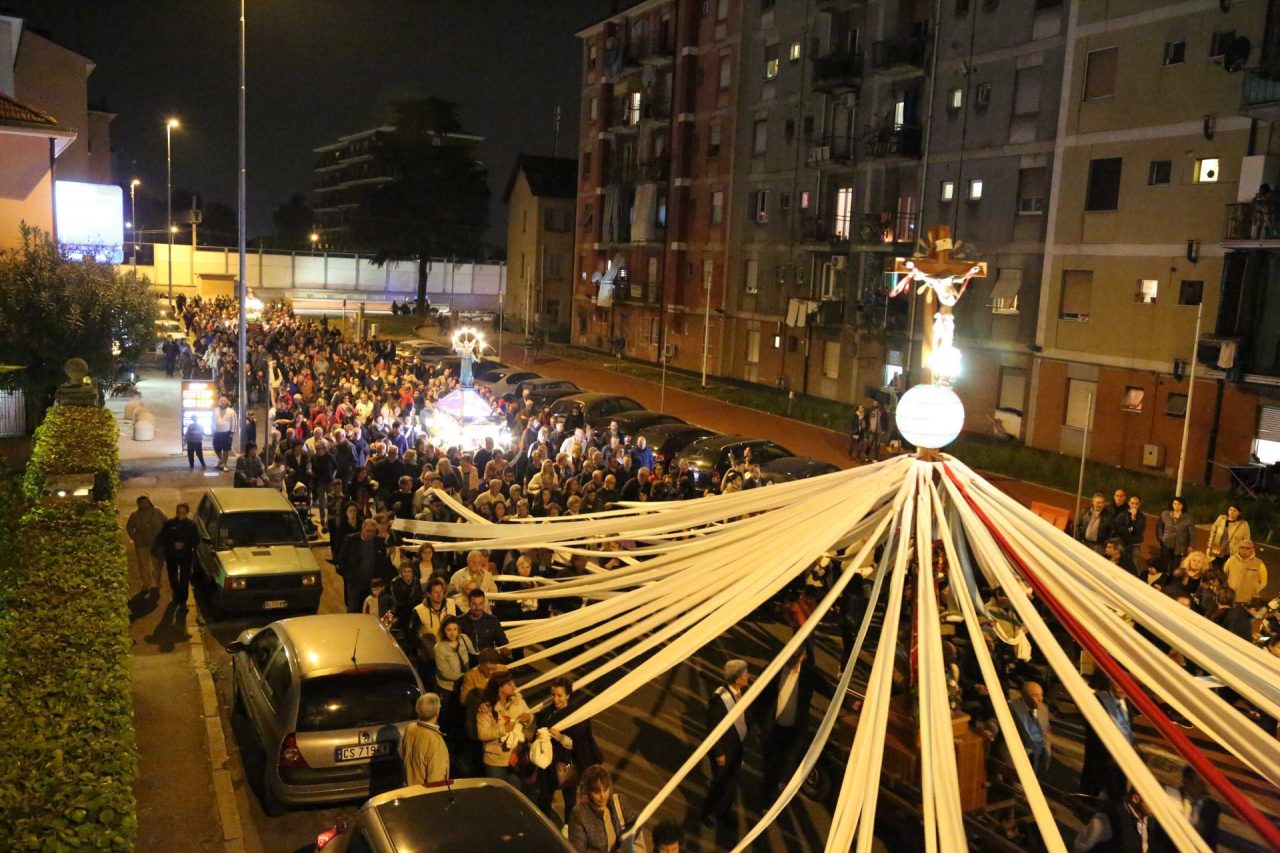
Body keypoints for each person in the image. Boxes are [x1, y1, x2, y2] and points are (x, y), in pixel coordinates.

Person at [536, 676, 605, 826]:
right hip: (548, 761)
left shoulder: (575, 716)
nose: (556, 699)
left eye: (559, 695)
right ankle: (543, 824)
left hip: (565, 762)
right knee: (545, 795)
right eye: (553, 695)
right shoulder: (548, 712)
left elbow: (577, 742)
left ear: (567, 695)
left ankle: (568, 826)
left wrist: (560, 737)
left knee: (569, 798)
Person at [701, 659, 750, 827]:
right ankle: (708, 813)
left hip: (736, 748)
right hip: (723, 750)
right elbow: (713, 728)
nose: (748, 677)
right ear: (737, 678)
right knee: (720, 784)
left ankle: (723, 812)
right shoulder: (719, 698)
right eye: (745, 674)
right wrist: (718, 752)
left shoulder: (744, 692)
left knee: (731, 784)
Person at [475, 669, 534, 784]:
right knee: (498, 791)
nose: (514, 686)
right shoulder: (486, 708)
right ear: (500, 688)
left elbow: (529, 714)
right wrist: (503, 729)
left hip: (515, 756)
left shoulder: (517, 700)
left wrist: (529, 718)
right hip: (495, 760)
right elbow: (483, 734)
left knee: (515, 790)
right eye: (509, 684)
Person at [1079, 671, 1131, 797]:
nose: (1121, 687)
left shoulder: (1129, 704)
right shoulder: (1099, 700)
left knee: (1117, 793)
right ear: (1110, 682)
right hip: (1100, 756)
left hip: (1123, 758)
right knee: (1091, 791)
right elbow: (1090, 728)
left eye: (1125, 684)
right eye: (1118, 683)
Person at [568, 765, 642, 853]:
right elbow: (578, 849)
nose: (603, 797)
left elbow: (636, 823)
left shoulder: (619, 802)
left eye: (605, 790)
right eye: (597, 792)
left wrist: (626, 837)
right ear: (588, 792)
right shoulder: (579, 814)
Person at [338, 518, 393, 614]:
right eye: (368, 530)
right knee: (353, 609)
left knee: (371, 609)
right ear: (362, 529)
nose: (371, 533)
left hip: (372, 583)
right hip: (355, 582)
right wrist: (349, 576)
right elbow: (342, 559)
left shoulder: (378, 542)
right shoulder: (350, 540)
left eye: (373, 531)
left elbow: (383, 562)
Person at [399, 693, 449, 786]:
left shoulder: (410, 729)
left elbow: (401, 753)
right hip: (424, 793)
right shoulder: (434, 740)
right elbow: (436, 782)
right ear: (437, 712)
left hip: (409, 790)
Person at [156, 502, 199, 608]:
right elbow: (162, 539)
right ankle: (176, 592)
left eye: (183, 512)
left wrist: (185, 544)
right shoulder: (169, 524)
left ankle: (183, 600)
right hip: (171, 555)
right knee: (172, 577)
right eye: (179, 512)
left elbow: (196, 540)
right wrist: (172, 544)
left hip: (186, 555)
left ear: (187, 513)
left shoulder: (191, 525)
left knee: (185, 578)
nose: (180, 515)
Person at [126, 495, 168, 596]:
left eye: (146, 502)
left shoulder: (157, 512)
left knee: (158, 565)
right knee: (144, 566)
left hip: (157, 544)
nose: (144, 505)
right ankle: (146, 584)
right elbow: (129, 527)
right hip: (142, 544)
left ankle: (157, 582)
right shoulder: (135, 515)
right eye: (142, 503)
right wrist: (136, 538)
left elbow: (166, 523)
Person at [460, 588, 508, 654]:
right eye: (474, 604)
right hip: (468, 659)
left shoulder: (493, 620)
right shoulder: (460, 621)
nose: (478, 607)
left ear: (484, 603)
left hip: (488, 658)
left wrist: (506, 650)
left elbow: (503, 643)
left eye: (480, 604)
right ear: (469, 604)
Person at [1156, 497, 1194, 575]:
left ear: (1182, 506)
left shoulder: (1188, 518)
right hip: (1166, 543)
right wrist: (1160, 538)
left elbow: (1191, 533)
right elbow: (1159, 527)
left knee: (1175, 567)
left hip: (1180, 546)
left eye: (1179, 504)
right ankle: (1161, 578)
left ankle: (1172, 579)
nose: (1176, 506)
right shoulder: (1165, 514)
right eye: (1175, 503)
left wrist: (1190, 545)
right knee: (1163, 564)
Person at [1223, 539, 1268, 604]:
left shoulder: (1259, 564)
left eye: (1247, 548)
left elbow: (1264, 582)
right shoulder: (1231, 560)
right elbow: (1225, 574)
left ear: (1252, 549)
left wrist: (1254, 590)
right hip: (1230, 598)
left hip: (1248, 601)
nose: (1244, 550)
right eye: (1242, 547)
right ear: (1238, 548)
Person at [1207, 505, 1250, 570]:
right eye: (1230, 510)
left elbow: (1246, 539)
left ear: (1239, 513)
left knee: (1228, 569)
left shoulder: (1243, 524)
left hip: (1232, 551)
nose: (1231, 512)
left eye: (1234, 511)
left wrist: (1243, 552)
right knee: (1216, 568)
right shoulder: (1221, 519)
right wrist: (1210, 543)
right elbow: (1213, 531)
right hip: (1217, 548)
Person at [212, 396, 237, 471]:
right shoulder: (215, 410)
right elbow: (212, 421)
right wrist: (212, 430)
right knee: (216, 448)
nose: (223, 402)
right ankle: (221, 461)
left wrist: (232, 432)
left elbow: (234, 422)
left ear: (227, 402)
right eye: (221, 401)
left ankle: (225, 464)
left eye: (224, 401)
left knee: (225, 450)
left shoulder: (231, 411)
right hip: (217, 433)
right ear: (219, 402)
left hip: (227, 433)